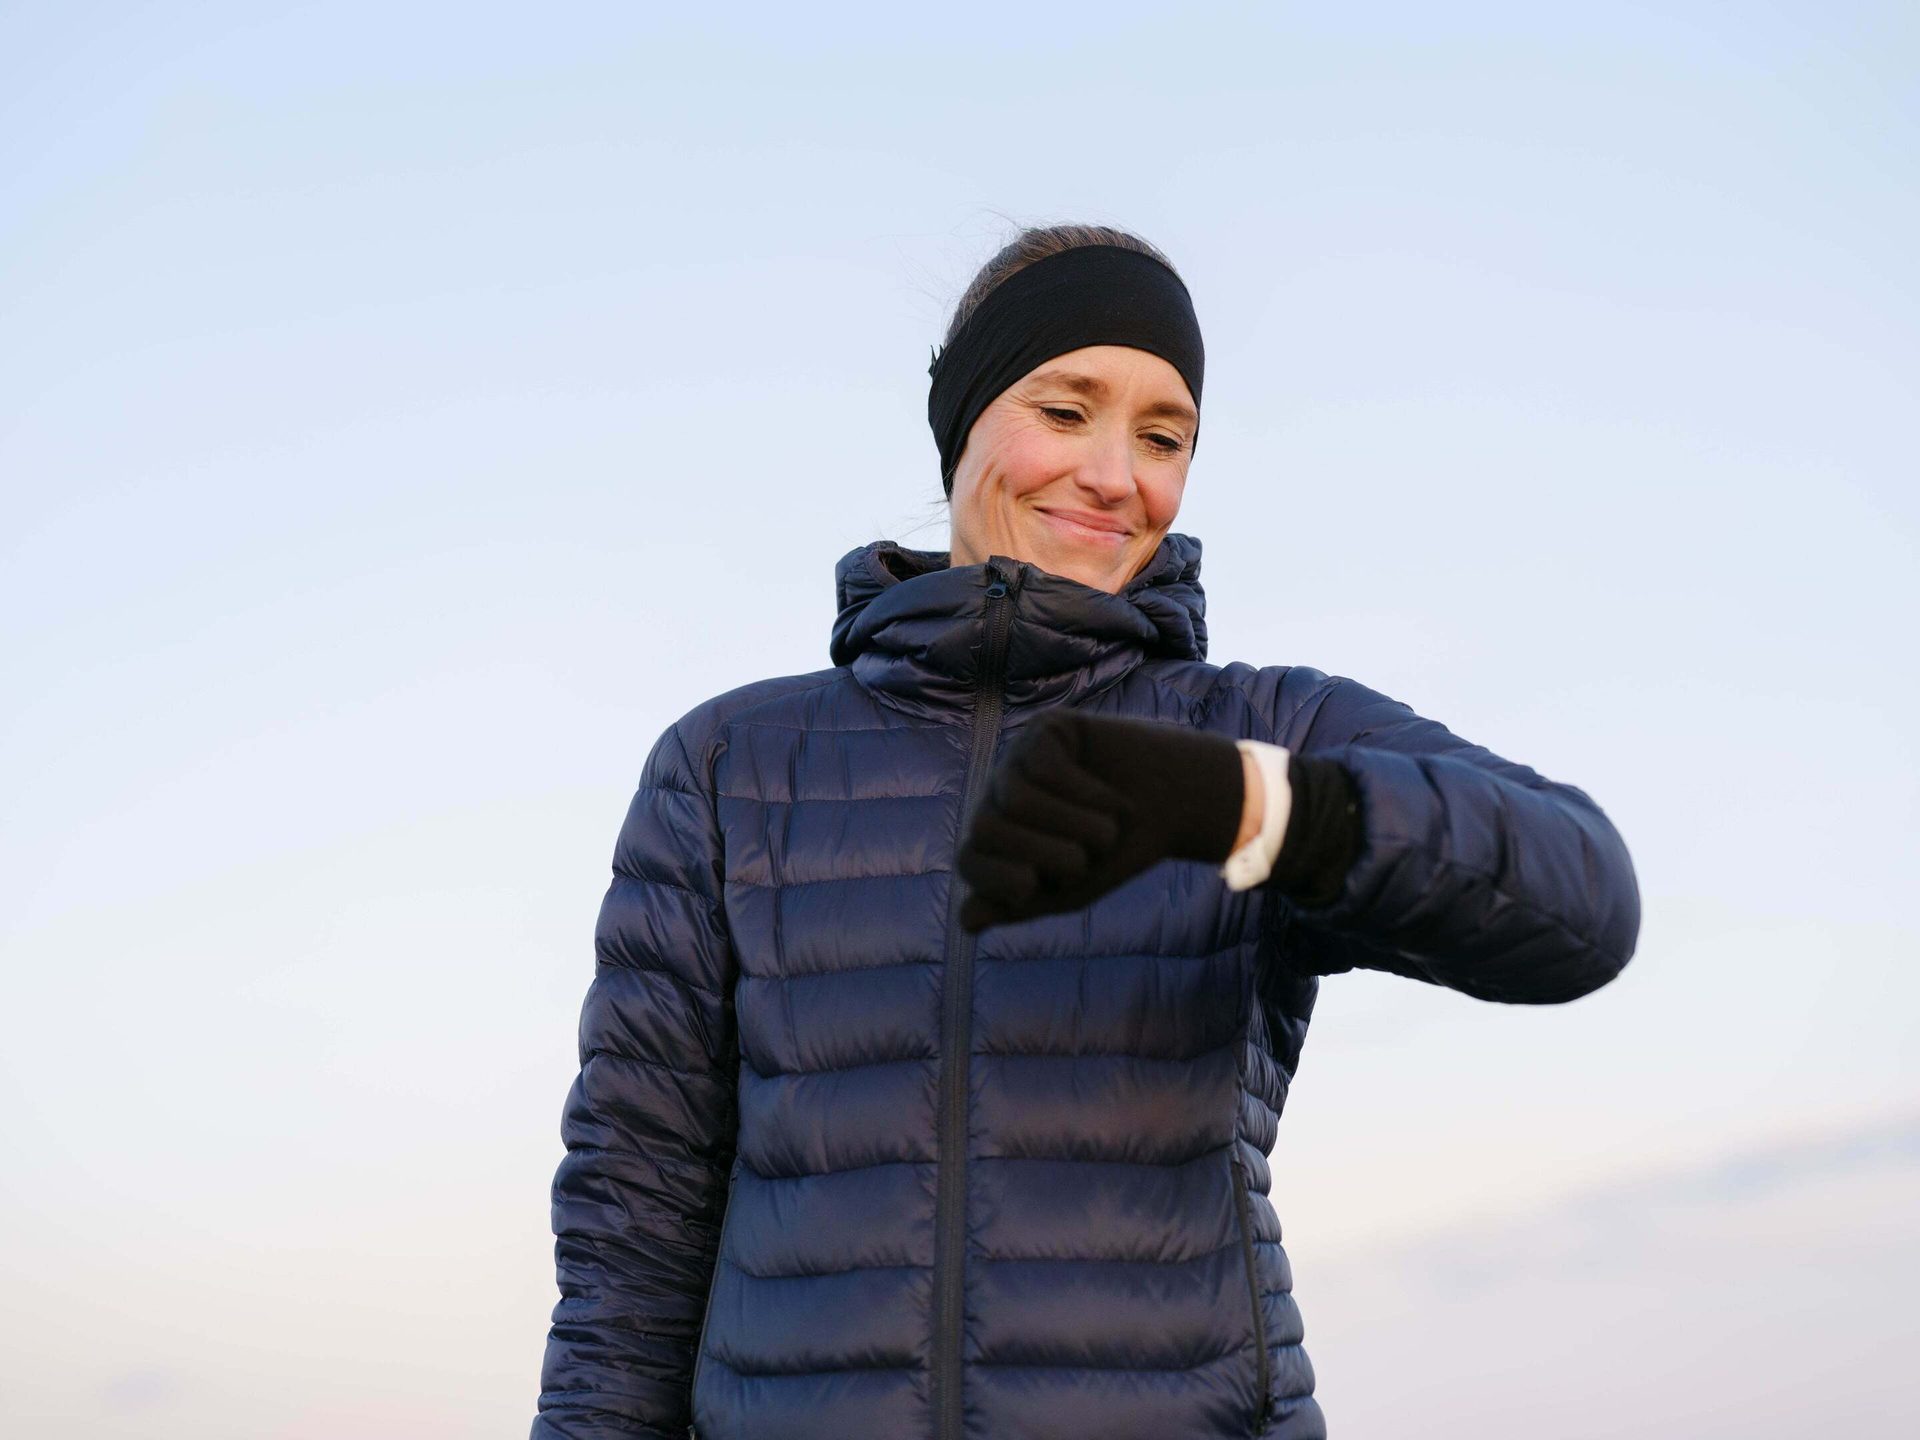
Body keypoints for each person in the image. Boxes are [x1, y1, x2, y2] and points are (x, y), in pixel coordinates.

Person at [529, 224, 1642, 1440]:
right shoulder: (732, 766)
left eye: (1164, 438)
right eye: (1066, 412)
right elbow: (633, 1236)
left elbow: (1580, 900)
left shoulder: (1257, 726)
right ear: (964, 426)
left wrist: (1248, 806)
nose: (1118, 476)